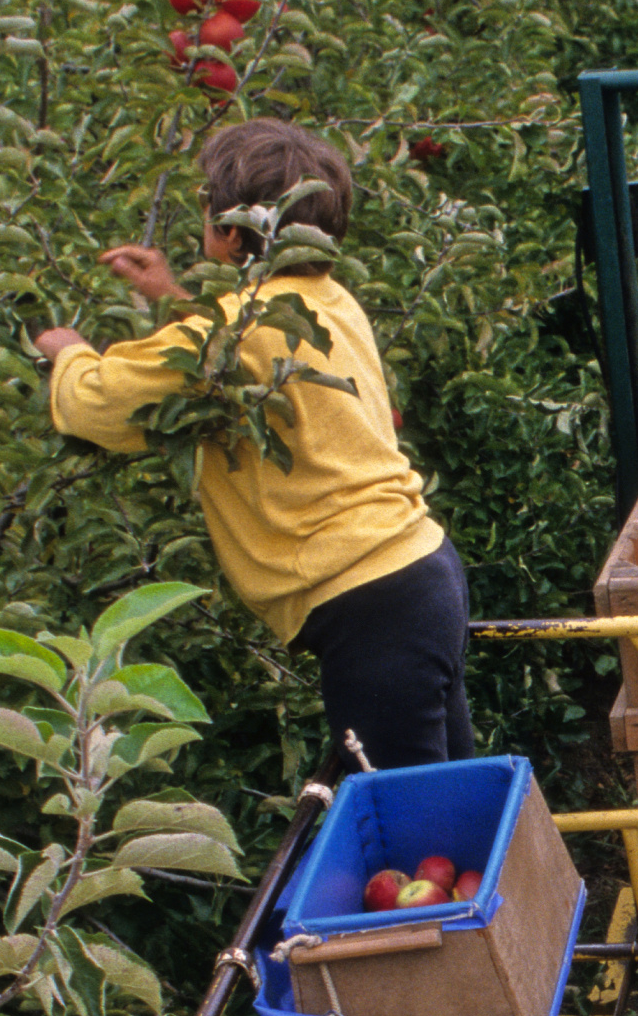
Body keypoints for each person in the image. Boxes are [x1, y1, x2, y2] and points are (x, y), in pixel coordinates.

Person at [33, 119, 474, 770]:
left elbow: (99, 404)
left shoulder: (229, 331)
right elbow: (241, 345)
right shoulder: (324, 299)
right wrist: (174, 299)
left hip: (367, 600)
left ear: (229, 230)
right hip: (418, 571)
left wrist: (67, 355)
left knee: (407, 821)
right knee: (450, 804)